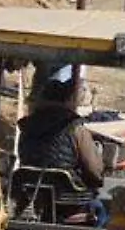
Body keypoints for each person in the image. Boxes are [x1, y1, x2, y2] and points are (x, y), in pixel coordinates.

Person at [16, 71, 106, 222]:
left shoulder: (26, 127)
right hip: (70, 200)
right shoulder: (75, 128)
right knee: (103, 212)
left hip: (32, 197)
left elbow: (24, 157)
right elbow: (95, 172)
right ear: (68, 101)